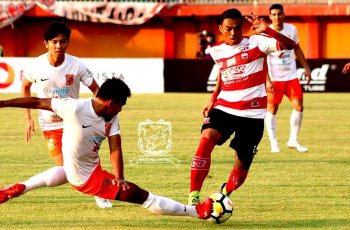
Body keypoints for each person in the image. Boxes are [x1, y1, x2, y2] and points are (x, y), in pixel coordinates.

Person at [0, 78, 212, 220]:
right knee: (140, 195)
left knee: (68, 171)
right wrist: (3, 103)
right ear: (111, 102)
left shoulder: (112, 116)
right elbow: (37, 101)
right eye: (121, 105)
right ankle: (196, 211)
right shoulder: (74, 108)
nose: (121, 110)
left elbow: (115, 148)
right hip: (86, 178)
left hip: (92, 168)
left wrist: (119, 176)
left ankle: (18, 187)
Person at [188, 8, 299, 205]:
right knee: (206, 139)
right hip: (225, 108)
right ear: (221, 28)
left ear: (243, 27)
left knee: (241, 165)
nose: (233, 33)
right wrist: (213, 98)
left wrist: (268, 30)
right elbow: (224, 72)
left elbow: (290, 45)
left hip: (253, 114)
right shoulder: (216, 50)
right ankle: (193, 197)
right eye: (229, 29)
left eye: (238, 28)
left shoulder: (258, 42)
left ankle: (225, 193)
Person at [20, 21, 112, 208]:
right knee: (67, 169)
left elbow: (96, 89)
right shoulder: (36, 66)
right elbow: (25, 86)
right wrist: (27, 117)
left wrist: (102, 113)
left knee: (83, 160)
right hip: (49, 124)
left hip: (74, 121)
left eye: (63, 42)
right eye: (54, 42)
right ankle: (100, 187)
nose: (58, 46)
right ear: (46, 43)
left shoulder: (76, 65)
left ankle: (100, 193)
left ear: (68, 43)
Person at [265, 4, 311, 153]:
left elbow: (297, 48)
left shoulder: (292, 30)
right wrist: (267, 79)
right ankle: (274, 144)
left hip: (291, 76)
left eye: (279, 14)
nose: (277, 17)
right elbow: (262, 58)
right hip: (274, 78)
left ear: (284, 15)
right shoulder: (266, 33)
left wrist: (306, 67)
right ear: (270, 16)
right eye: (273, 14)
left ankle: (293, 140)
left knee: (299, 107)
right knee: (272, 109)